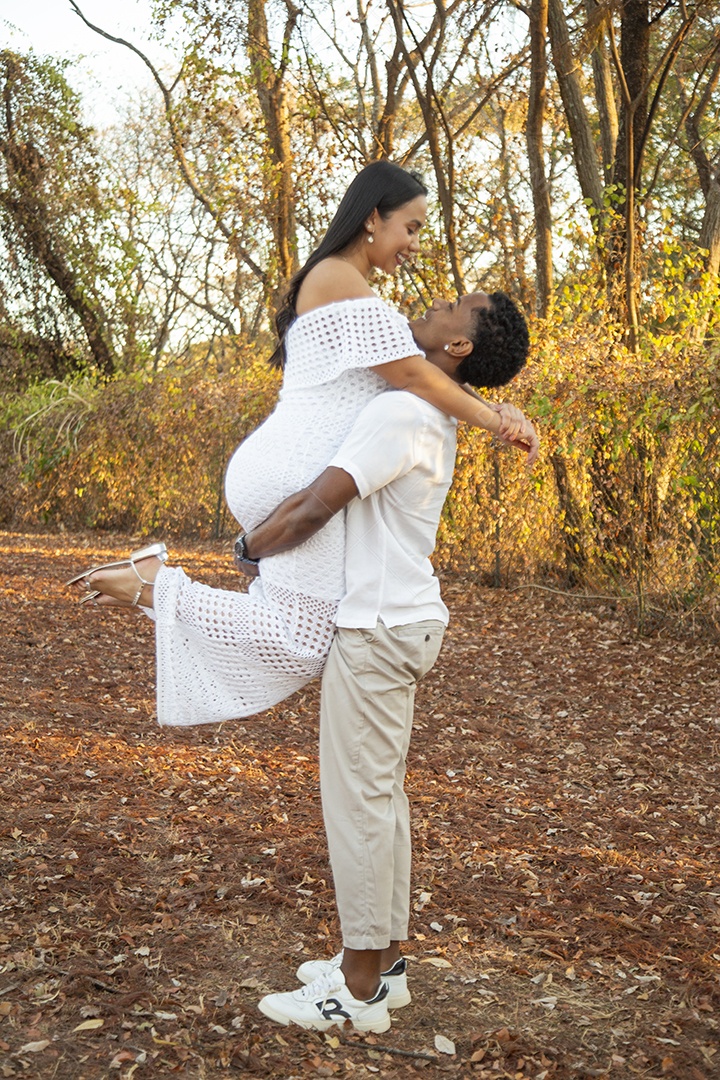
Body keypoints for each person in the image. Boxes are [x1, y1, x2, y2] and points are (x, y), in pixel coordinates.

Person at [68, 161, 537, 727]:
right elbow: (417, 377)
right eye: (409, 228)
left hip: (285, 467)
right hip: (291, 473)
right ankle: (154, 586)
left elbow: (432, 380)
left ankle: (154, 584)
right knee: (302, 640)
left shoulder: (350, 289)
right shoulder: (341, 281)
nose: (413, 245)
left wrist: (498, 406)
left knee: (301, 634)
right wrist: (495, 421)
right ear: (372, 218)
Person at [223, 291, 520, 1033]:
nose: (439, 299)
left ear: (457, 348)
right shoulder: (427, 410)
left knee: (359, 807)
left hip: (380, 630)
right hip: (402, 623)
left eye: (457, 305)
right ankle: (383, 969)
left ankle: (353, 995)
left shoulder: (402, 415)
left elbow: (314, 508)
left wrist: (247, 549)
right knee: (381, 801)